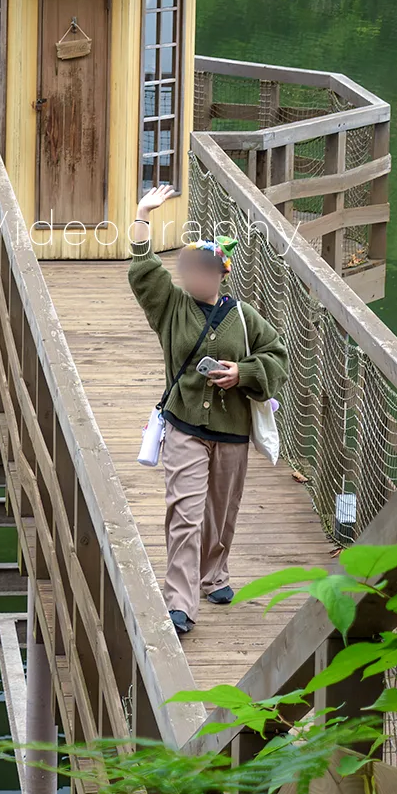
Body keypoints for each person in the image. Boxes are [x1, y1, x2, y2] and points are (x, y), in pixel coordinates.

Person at [129, 183, 289, 636]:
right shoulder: (170, 307)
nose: (194, 278)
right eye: (188, 270)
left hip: (232, 431)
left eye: (203, 272)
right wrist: (143, 212)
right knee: (185, 511)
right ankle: (180, 602)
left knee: (221, 513)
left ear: (220, 276)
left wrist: (243, 372)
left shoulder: (243, 316)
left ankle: (213, 573)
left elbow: (276, 355)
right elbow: (142, 270)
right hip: (183, 427)